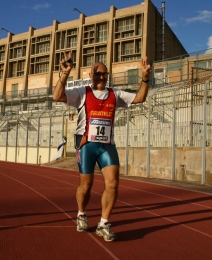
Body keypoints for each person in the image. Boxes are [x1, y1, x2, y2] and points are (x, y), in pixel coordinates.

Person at [53, 51, 151, 242]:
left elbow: (139, 98)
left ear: (107, 76)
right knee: (86, 185)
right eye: (97, 73)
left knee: (113, 183)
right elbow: (57, 96)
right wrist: (65, 74)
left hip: (107, 145)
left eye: (104, 74)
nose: (100, 76)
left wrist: (145, 79)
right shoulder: (82, 92)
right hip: (86, 144)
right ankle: (81, 214)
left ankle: (104, 223)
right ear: (90, 75)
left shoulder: (115, 93)